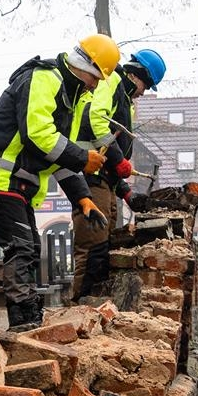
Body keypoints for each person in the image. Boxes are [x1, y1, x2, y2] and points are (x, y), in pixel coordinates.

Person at [0, 33, 121, 330]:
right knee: (21, 247)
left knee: (29, 247)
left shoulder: (72, 96)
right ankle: (22, 323)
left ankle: (27, 318)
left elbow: (58, 153)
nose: (97, 84)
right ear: (85, 65)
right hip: (0, 177)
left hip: (15, 182)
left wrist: (82, 196)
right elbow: (38, 135)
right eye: (98, 77)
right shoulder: (44, 78)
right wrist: (83, 159)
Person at [74, 48, 167, 296]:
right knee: (93, 245)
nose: (144, 92)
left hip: (105, 181)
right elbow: (96, 120)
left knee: (104, 244)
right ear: (138, 75)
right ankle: (81, 307)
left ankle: (93, 306)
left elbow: (112, 148)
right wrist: (118, 160)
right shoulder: (112, 80)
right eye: (146, 86)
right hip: (90, 176)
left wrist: (125, 192)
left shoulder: (126, 102)